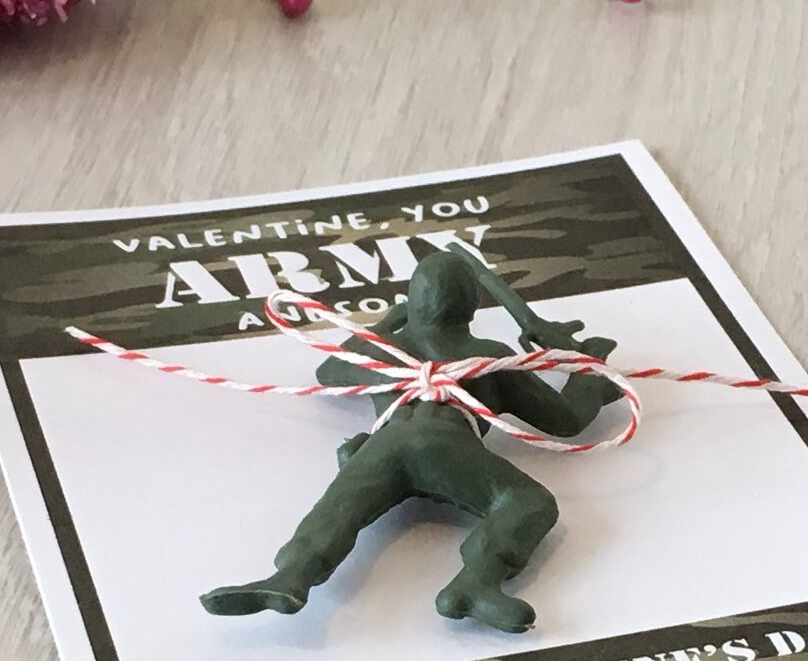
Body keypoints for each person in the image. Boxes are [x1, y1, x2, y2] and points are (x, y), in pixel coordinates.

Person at [201, 247, 626, 632]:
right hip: (446, 447)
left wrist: (386, 325)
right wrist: (588, 374)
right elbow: (566, 419)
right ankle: (476, 582)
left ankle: (291, 575)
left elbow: (329, 372)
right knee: (528, 502)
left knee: (338, 510)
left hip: (384, 447)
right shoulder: (489, 357)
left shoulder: (384, 351)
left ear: (413, 303)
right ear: (471, 307)